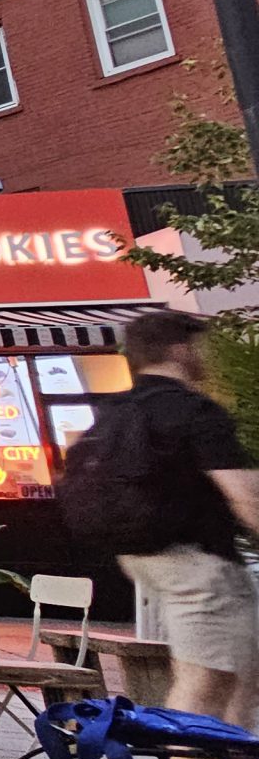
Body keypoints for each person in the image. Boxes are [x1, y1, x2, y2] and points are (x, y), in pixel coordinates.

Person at [102, 311, 259, 729]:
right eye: (201, 347)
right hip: (199, 566)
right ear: (180, 349)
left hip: (143, 558)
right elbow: (246, 497)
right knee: (206, 680)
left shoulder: (119, 411)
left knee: (242, 673)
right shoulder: (193, 410)